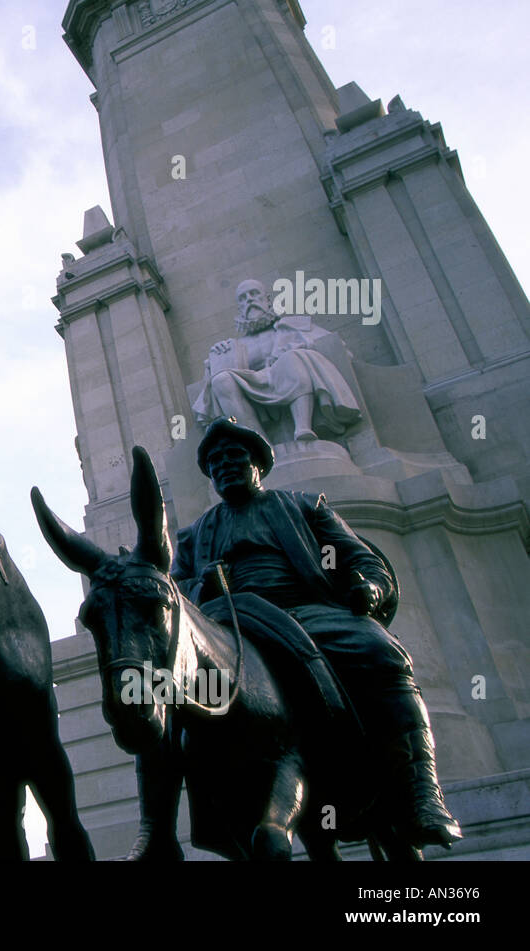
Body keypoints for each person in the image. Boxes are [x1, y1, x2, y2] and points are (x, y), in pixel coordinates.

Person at [129, 418, 460, 857]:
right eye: (214, 461)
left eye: (234, 457)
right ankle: (156, 829)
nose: (224, 465)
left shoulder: (305, 507)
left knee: (383, 654)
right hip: (229, 628)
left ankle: (422, 792)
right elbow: (173, 593)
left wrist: (368, 587)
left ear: (258, 466)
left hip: (308, 616)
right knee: (156, 690)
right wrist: (199, 587)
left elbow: (364, 560)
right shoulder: (194, 536)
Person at [192, 279, 361, 442]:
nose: (249, 299)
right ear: (239, 309)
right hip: (254, 383)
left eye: (254, 294)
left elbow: (335, 347)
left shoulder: (292, 326)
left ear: (268, 300)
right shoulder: (236, 346)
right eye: (243, 298)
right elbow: (208, 392)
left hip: (288, 374)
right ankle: (260, 443)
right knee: (221, 379)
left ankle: (303, 427)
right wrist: (214, 362)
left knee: (291, 357)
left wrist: (303, 345)